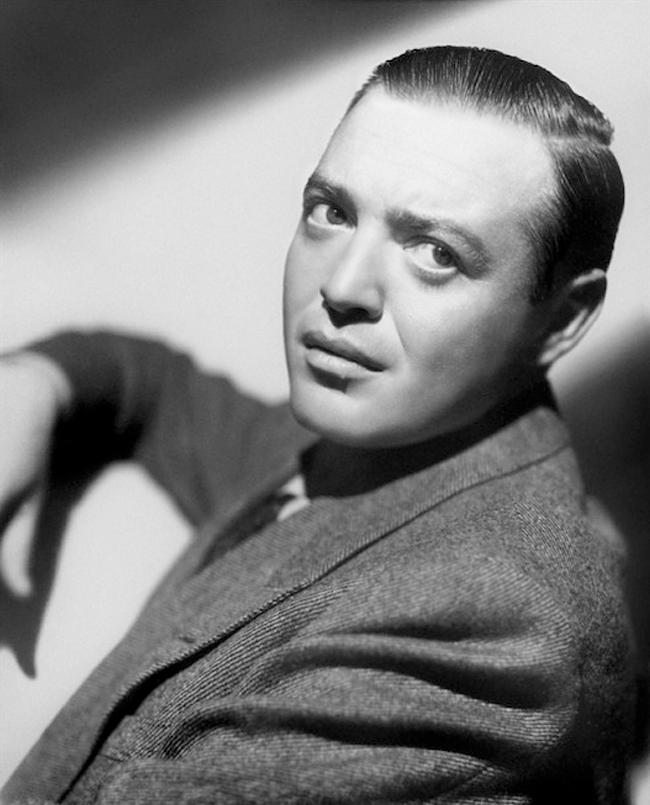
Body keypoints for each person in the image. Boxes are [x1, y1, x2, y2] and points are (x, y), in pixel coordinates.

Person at [0, 46, 636, 804]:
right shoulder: (397, 450)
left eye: (436, 253)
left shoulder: (485, 629)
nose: (341, 285)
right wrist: (36, 384)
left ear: (563, 318)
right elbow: (164, 388)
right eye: (332, 212)